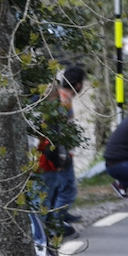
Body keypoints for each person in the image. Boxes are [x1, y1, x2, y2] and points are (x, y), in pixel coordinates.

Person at [37, 66, 86, 236]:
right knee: (61, 189)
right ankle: (55, 225)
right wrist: (61, 158)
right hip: (55, 155)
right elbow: (58, 133)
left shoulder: (59, 97)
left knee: (56, 190)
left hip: (54, 153)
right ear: (78, 85)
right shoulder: (62, 101)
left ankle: (57, 220)